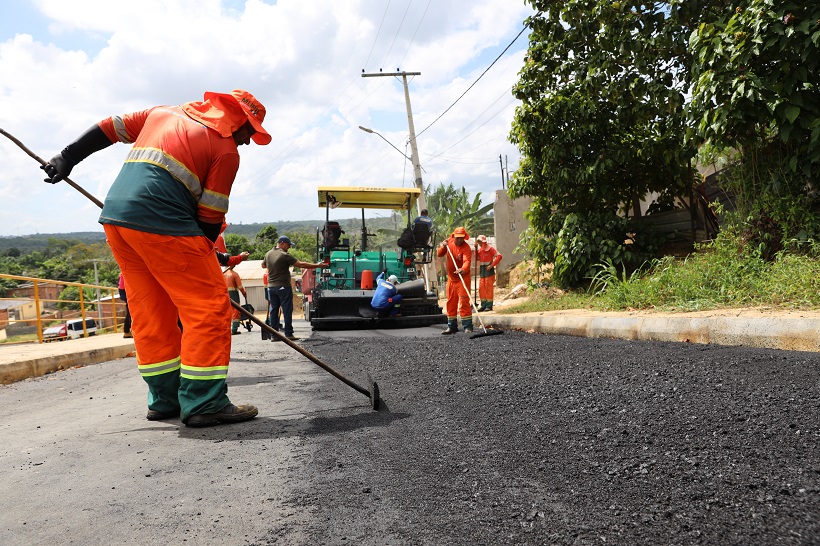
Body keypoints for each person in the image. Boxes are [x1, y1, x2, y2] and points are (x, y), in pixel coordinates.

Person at [42, 89, 271, 427]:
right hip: (163, 223)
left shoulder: (163, 113)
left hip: (117, 220)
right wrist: (205, 267)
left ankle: (165, 399)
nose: (248, 141)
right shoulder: (225, 150)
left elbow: (109, 127)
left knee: (152, 310)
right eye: (249, 131)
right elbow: (209, 221)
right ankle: (204, 403)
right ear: (234, 121)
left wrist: (67, 157)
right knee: (208, 308)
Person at [264, 236, 327, 341]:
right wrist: (318, 265)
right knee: (287, 310)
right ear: (282, 243)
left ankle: (274, 335)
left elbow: (263, 265)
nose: (289, 248)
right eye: (288, 245)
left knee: (274, 310)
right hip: (283, 286)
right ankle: (288, 334)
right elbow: (301, 264)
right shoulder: (284, 255)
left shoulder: (268, 254)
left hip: (271, 287)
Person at [436, 226, 473, 334]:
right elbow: (439, 254)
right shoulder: (448, 242)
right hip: (451, 280)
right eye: (457, 237)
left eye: (461, 238)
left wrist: (463, 269)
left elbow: (467, 261)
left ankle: (467, 326)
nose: (459, 240)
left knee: (464, 301)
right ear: (453, 236)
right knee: (451, 302)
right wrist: (443, 246)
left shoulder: (466, 248)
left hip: (463, 279)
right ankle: (452, 327)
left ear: (464, 237)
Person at [475, 234, 502, 311]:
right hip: (482, 272)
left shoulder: (490, 249)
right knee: (481, 288)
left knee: (488, 288)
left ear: (484, 242)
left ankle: (489, 306)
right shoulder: (479, 250)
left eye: (480, 242)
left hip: (489, 272)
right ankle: (483, 305)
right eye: (478, 242)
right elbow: (477, 258)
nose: (480, 243)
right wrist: (476, 249)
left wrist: (492, 265)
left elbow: (499, 256)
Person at [224, 266, 247, 335]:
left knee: (227, 312)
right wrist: (244, 293)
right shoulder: (234, 274)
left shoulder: (223, 274)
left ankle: (226, 330)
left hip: (224, 294)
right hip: (233, 295)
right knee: (235, 312)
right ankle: (234, 329)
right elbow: (240, 286)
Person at [118, 272, 132, 338]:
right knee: (130, 312)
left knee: (130, 312)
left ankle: (128, 331)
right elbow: (122, 286)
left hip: (124, 291)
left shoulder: (123, 273)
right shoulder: (124, 273)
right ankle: (126, 332)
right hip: (125, 291)